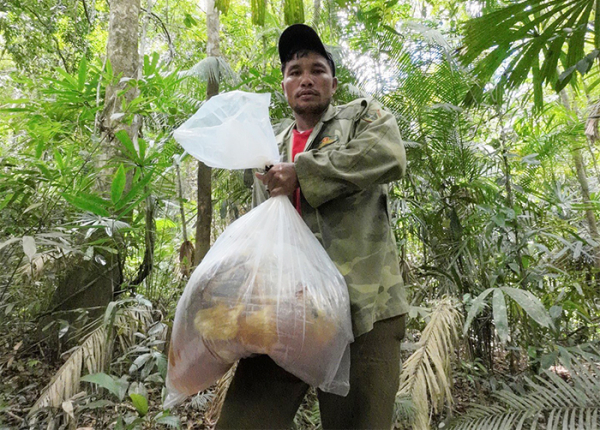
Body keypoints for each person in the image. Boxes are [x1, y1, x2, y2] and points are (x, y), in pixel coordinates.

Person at [216, 24, 409, 429]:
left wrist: (303, 172)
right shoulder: (269, 144)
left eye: (317, 70)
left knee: (359, 422)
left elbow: (389, 154)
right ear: (284, 85)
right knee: (244, 420)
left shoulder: (361, 117)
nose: (306, 78)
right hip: (287, 310)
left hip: (364, 309)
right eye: (294, 71)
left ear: (333, 83)